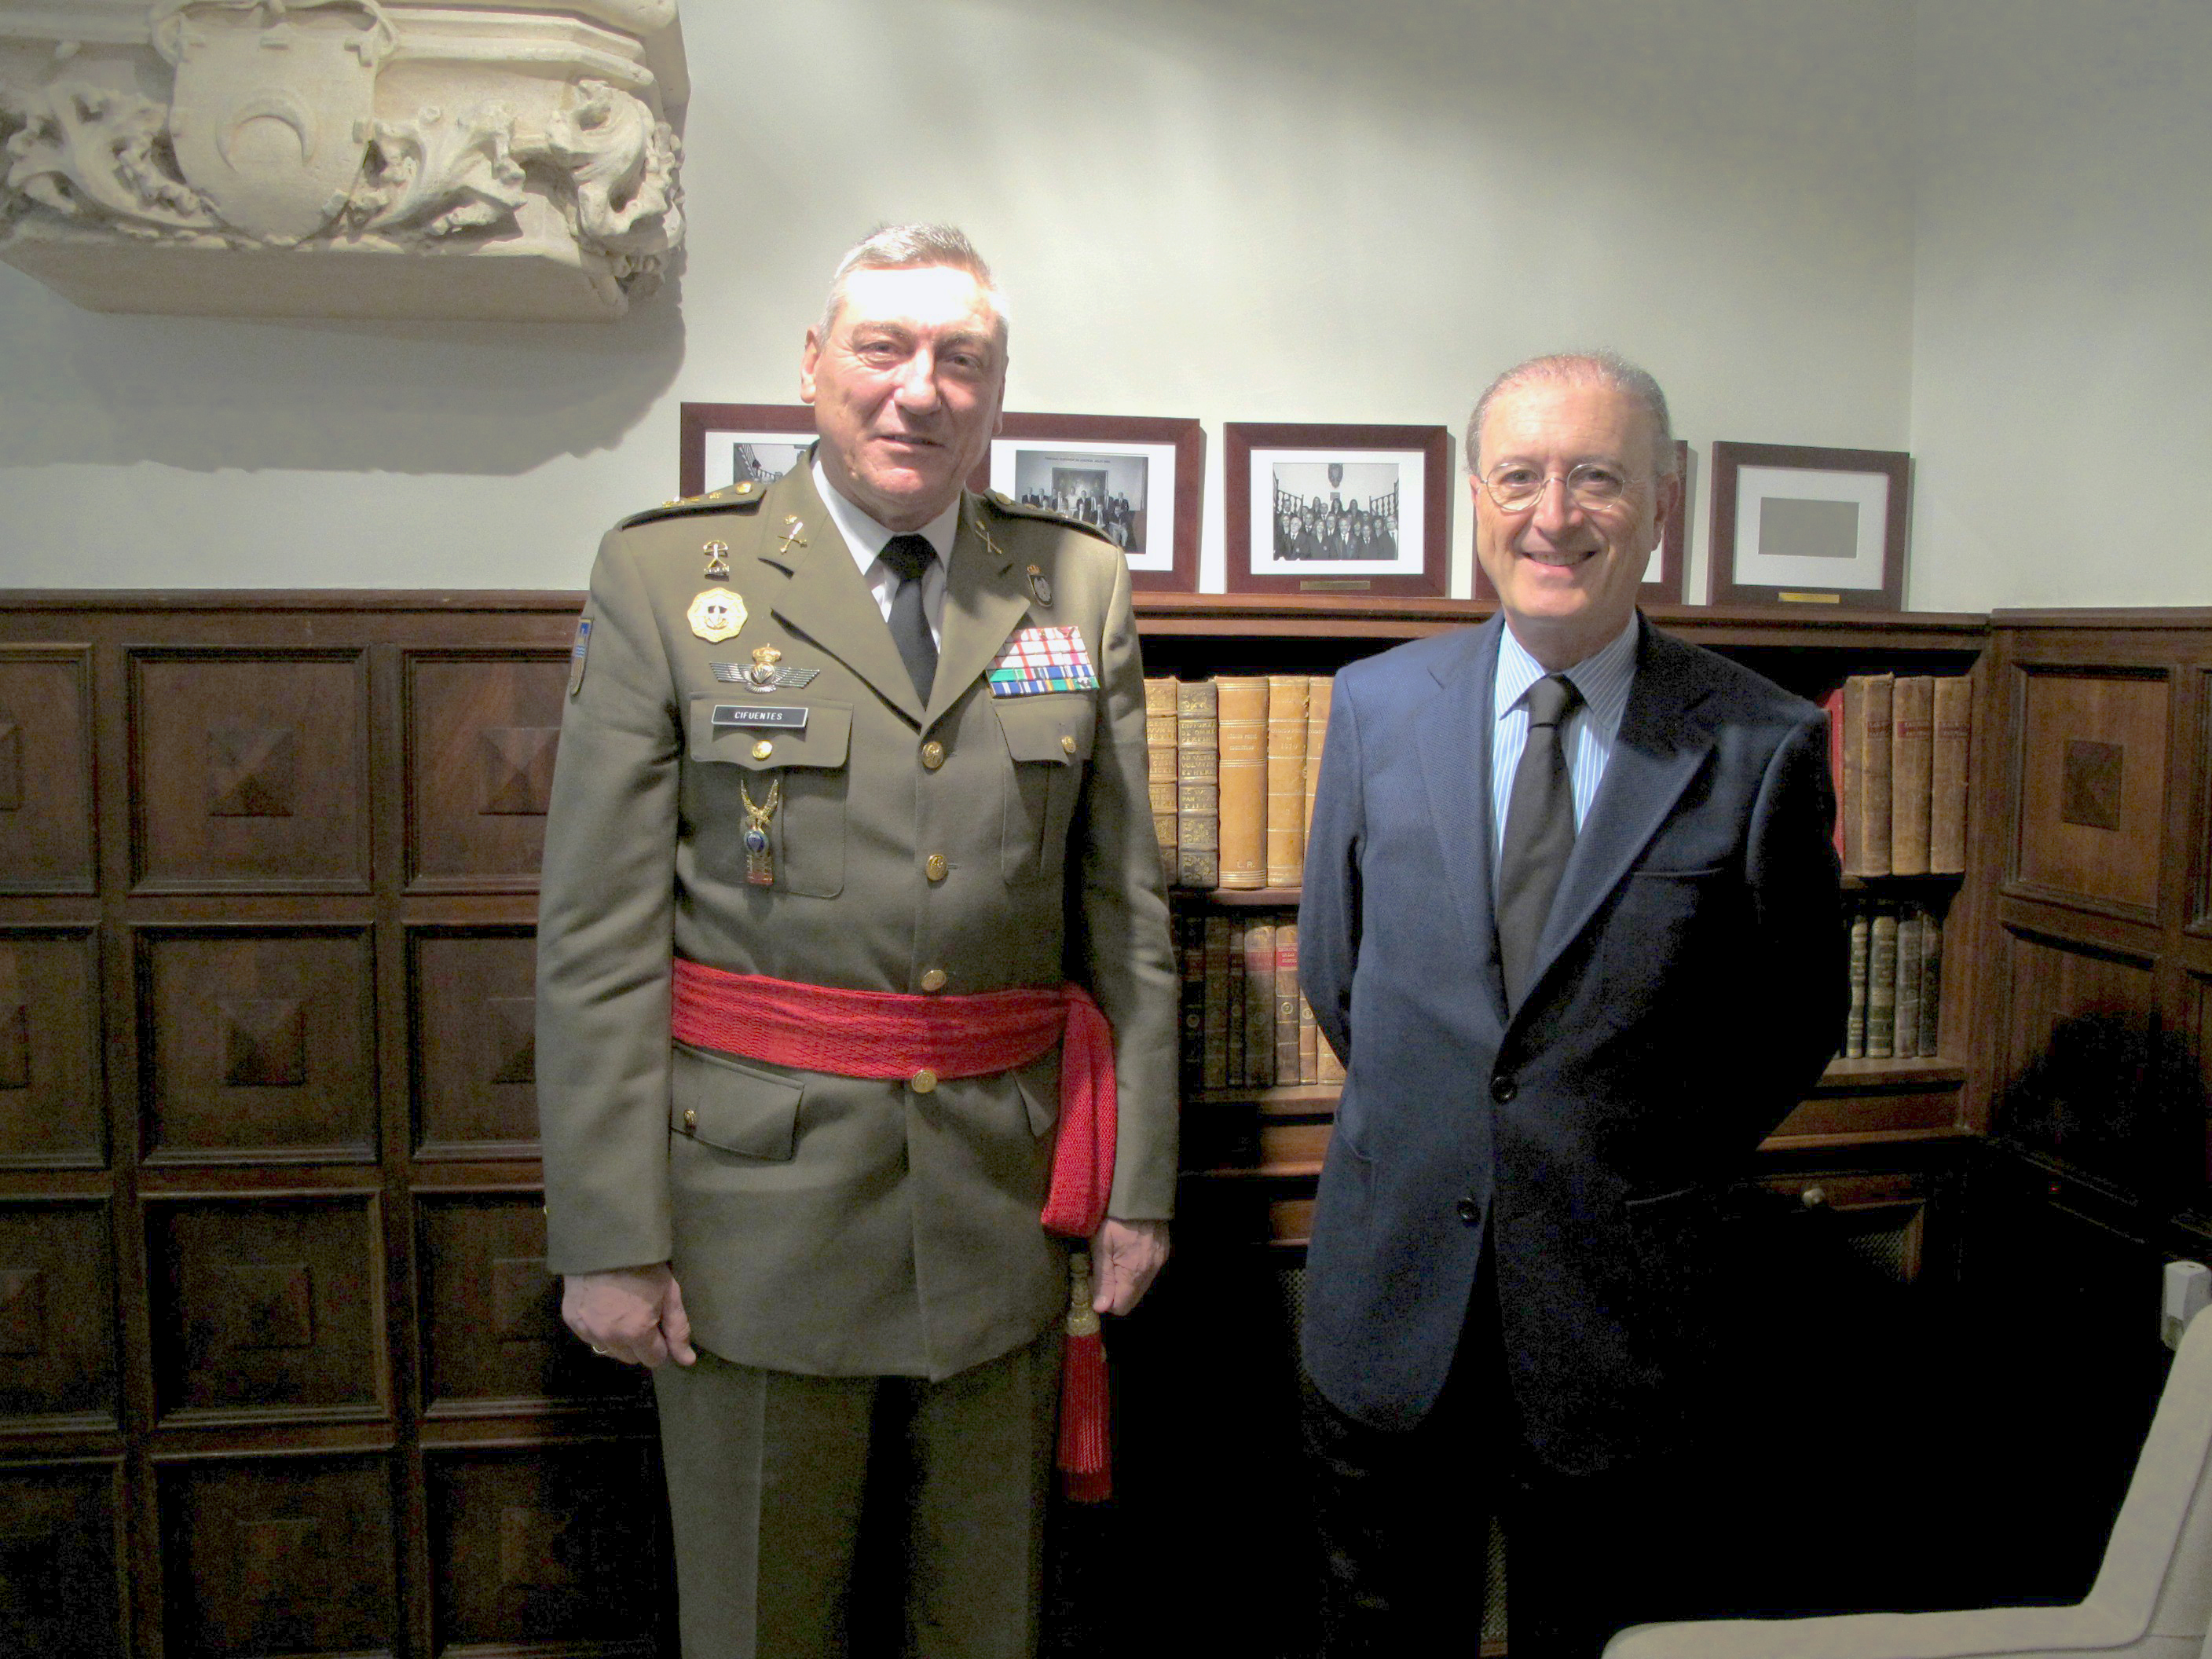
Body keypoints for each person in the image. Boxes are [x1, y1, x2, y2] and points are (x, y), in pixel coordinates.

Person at [536, 223, 1179, 1659]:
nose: (919, 389)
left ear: (997, 393)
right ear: (815, 368)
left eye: (962, 359)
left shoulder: (1073, 585)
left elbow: (1124, 915)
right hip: (752, 1224)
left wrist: (1137, 1187)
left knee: (987, 1628)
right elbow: (596, 938)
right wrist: (608, 1236)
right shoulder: (669, 578)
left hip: (1003, 1211)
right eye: (882, 349)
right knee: (762, 1627)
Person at [1297, 352, 1846, 1657]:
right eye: (1523, 476)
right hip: (1394, 1296)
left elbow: (1791, 1027)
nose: (1555, 515)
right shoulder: (1373, 708)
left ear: (1664, 501)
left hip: (1622, 1315)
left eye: (1596, 478)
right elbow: (1339, 969)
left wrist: (1622, 1150)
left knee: (1603, 1639)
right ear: (1473, 495)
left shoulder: (1761, 742)